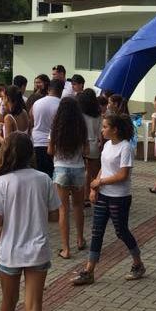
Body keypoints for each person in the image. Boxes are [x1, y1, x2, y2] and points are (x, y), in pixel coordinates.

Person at [0, 134, 60, 311]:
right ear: (30, 153)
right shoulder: (43, 179)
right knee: (34, 307)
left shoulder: (3, 182)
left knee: (9, 300)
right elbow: (55, 216)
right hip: (38, 250)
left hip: (11, 251)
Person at [73, 114, 145, 286]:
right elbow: (103, 169)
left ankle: (138, 263)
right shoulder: (106, 146)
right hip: (104, 195)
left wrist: (101, 182)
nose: (102, 130)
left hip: (119, 197)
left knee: (121, 231)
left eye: (105, 127)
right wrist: (94, 188)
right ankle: (89, 271)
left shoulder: (125, 147)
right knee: (97, 231)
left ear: (115, 129)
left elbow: (123, 174)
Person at [48, 97, 88, 259]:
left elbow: (50, 151)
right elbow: (86, 150)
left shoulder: (56, 128)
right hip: (78, 169)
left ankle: (66, 249)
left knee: (63, 209)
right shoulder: (81, 127)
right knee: (78, 206)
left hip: (61, 169)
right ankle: (80, 239)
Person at [30, 80, 63, 178]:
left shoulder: (37, 103)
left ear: (48, 89)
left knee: (39, 174)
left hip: (37, 141)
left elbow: (31, 119)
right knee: (53, 174)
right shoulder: (62, 104)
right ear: (61, 91)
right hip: (54, 144)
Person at [78, 89, 102, 210]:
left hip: (82, 145)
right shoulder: (98, 114)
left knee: (82, 172)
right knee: (93, 173)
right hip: (94, 145)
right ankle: (94, 194)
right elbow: (100, 132)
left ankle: (83, 197)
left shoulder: (80, 114)